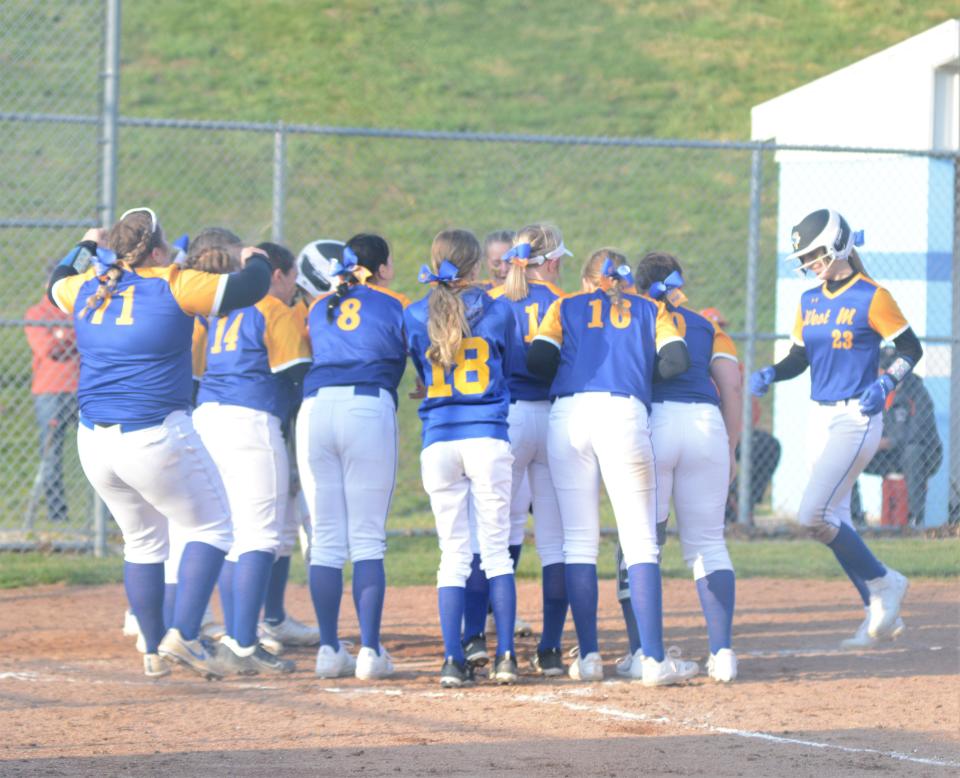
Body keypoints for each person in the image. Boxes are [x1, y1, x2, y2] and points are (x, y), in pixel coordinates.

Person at [48, 207, 273, 679]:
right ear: (153, 250)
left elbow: (56, 281)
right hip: (153, 434)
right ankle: (186, 636)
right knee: (214, 529)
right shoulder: (172, 282)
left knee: (143, 543)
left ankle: (153, 651)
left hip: (95, 442)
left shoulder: (90, 286)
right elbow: (250, 288)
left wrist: (86, 246)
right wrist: (257, 258)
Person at [749, 208, 921, 650]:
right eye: (806, 257)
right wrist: (772, 373)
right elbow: (799, 357)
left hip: (856, 416)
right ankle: (876, 612)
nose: (810, 262)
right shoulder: (809, 300)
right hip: (819, 416)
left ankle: (886, 583)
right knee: (835, 517)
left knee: (812, 516)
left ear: (839, 243)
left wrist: (886, 380)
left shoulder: (871, 295)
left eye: (815, 252)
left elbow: (909, 348)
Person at [527, 248, 699, 686]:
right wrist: (638, 372)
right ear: (623, 279)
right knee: (641, 541)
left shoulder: (565, 305)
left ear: (589, 282)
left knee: (579, 544)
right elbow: (678, 361)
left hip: (569, 415)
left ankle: (588, 658)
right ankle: (654, 660)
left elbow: (539, 360)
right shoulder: (648, 307)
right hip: (624, 413)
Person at [405, 228, 522, 688]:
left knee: (452, 555)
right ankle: (506, 657)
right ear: (474, 268)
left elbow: (423, 368)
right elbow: (508, 367)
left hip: (439, 438)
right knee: (495, 554)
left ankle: (453, 660)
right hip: (487, 436)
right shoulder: (499, 309)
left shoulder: (415, 313)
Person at [192, 240, 311, 675]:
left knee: (230, 533)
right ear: (276, 274)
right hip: (251, 421)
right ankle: (244, 641)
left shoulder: (221, 310)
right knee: (260, 534)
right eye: (292, 276)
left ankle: (234, 635)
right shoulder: (270, 309)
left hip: (208, 418)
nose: (293, 286)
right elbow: (295, 374)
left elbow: (198, 370)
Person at [296, 233, 408, 681]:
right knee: (366, 538)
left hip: (316, 408)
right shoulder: (394, 301)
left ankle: (328, 649)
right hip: (366, 405)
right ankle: (369, 652)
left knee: (325, 538)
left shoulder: (318, 306)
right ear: (380, 268)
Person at [634, 253, 742, 683]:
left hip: (655, 423)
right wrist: (730, 448)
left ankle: (647, 654)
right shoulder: (705, 324)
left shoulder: (634, 315)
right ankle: (724, 654)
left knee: (644, 544)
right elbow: (731, 384)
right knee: (709, 545)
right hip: (705, 423)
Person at [485, 223, 570, 677]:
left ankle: (495, 649)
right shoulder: (564, 302)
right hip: (552, 417)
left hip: (506, 417)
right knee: (554, 541)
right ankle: (552, 649)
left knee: (498, 534)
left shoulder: (493, 300)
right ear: (551, 261)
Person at [700, 307, 782, 522]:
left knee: (768, 445)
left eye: (722, 328)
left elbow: (752, 410)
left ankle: (746, 503)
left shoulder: (736, 367)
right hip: (705, 432)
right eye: (713, 326)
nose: (718, 332)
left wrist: (736, 432)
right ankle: (727, 507)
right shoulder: (696, 366)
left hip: (735, 433)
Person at [849, 346, 943, 528]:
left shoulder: (918, 392)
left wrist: (886, 442)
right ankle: (855, 517)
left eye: (892, 369)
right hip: (886, 456)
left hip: (924, 457)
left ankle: (914, 520)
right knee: (849, 455)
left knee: (912, 452)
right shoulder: (872, 393)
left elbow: (917, 434)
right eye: (884, 369)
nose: (887, 374)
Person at [23, 288, 80, 524]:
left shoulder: (79, 308)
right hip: (50, 392)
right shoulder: (38, 312)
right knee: (51, 456)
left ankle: (107, 516)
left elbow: (95, 339)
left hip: (81, 389)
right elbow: (47, 350)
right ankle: (58, 515)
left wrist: (61, 336)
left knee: (97, 451)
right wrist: (74, 338)